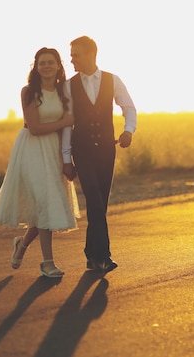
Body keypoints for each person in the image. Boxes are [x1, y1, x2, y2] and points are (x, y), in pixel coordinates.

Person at [0, 47, 80, 278]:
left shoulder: (64, 92)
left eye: (50, 62)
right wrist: (65, 122)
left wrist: (66, 157)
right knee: (43, 202)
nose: (46, 66)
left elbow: (67, 129)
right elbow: (36, 128)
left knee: (46, 205)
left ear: (59, 66)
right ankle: (47, 263)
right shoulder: (29, 92)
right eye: (41, 63)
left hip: (54, 151)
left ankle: (22, 244)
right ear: (36, 67)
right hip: (31, 150)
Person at [61, 36, 137, 273]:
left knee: (99, 205)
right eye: (71, 55)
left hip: (106, 150)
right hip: (81, 152)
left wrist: (128, 130)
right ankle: (103, 256)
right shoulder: (68, 86)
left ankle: (90, 254)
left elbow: (129, 107)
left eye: (76, 54)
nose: (72, 59)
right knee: (94, 201)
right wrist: (66, 159)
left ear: (92, 54)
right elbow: (66, 125)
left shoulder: (112, 80)